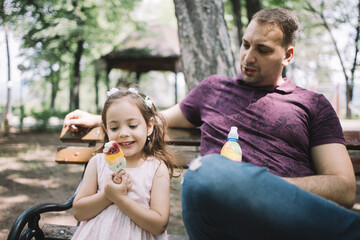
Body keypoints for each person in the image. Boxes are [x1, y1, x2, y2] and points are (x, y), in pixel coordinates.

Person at [65, 8, 360, 239]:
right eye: (245, 44)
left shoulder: (312, 104)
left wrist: (260, 188)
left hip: (287, 220)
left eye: (263, 50)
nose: (248, 56)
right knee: (203, 171)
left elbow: (344, 187)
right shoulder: (212, 90)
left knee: (211, 170)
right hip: (219, 221)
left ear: (288, 55)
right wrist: (99, 119)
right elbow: (151, 119)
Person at [71, 87, 175, 240]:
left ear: (149, 126)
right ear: (106, 130)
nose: (124, 133)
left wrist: (120, 199)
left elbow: (159, 224)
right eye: (114, 127)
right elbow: (79, 212)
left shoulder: (156, 168)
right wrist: (107, 195)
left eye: (132, 125)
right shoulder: (98, 163)